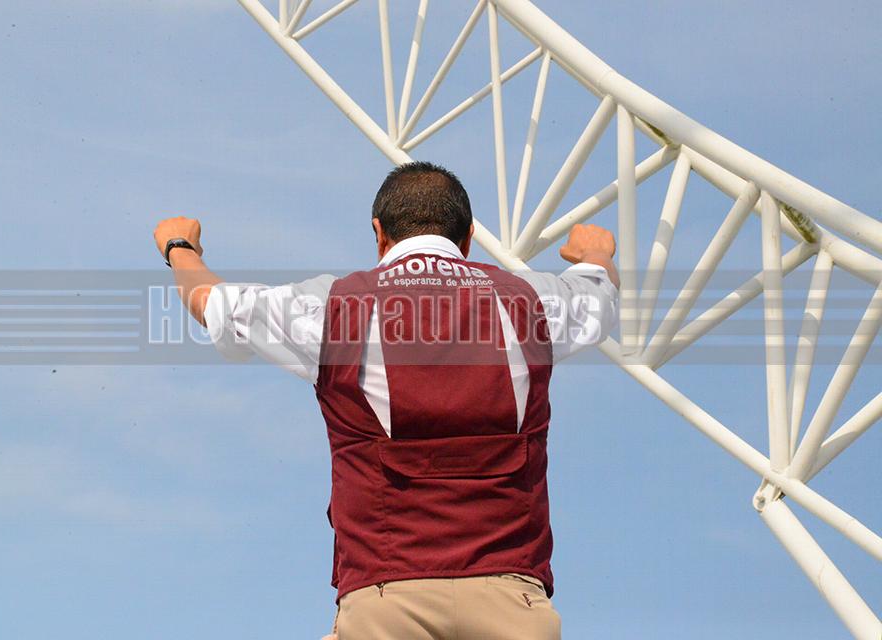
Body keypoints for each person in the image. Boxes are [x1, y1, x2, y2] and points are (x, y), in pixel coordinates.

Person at [153, 161, 619, 640]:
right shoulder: (530, 301)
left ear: (379, 234)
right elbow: (597, 296)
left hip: (385, 599)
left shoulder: (334, 307)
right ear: (468, 238)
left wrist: (179, 247)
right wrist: (595, 253)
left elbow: (211, 303)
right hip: (514, 602)